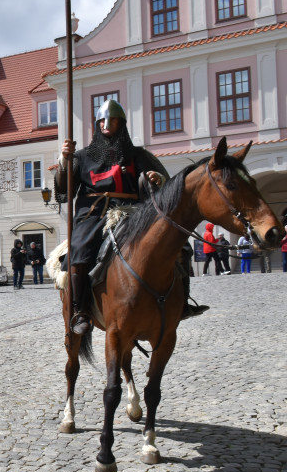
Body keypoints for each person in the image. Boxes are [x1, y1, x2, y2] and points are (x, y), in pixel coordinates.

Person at [57, 99, 205, 335]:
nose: (107, 123)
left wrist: (157, 178)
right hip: (94, 212)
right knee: (80, 247)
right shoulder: (82, 157)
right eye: (103, 120)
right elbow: (64, 193)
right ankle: (80, 310)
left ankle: (182, 303)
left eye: (112, 119)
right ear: (97, 124)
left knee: (181, 245)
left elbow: (167, 187)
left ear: (121, 123)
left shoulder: (137, 155)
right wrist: (65, 161)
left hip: (133, 210)